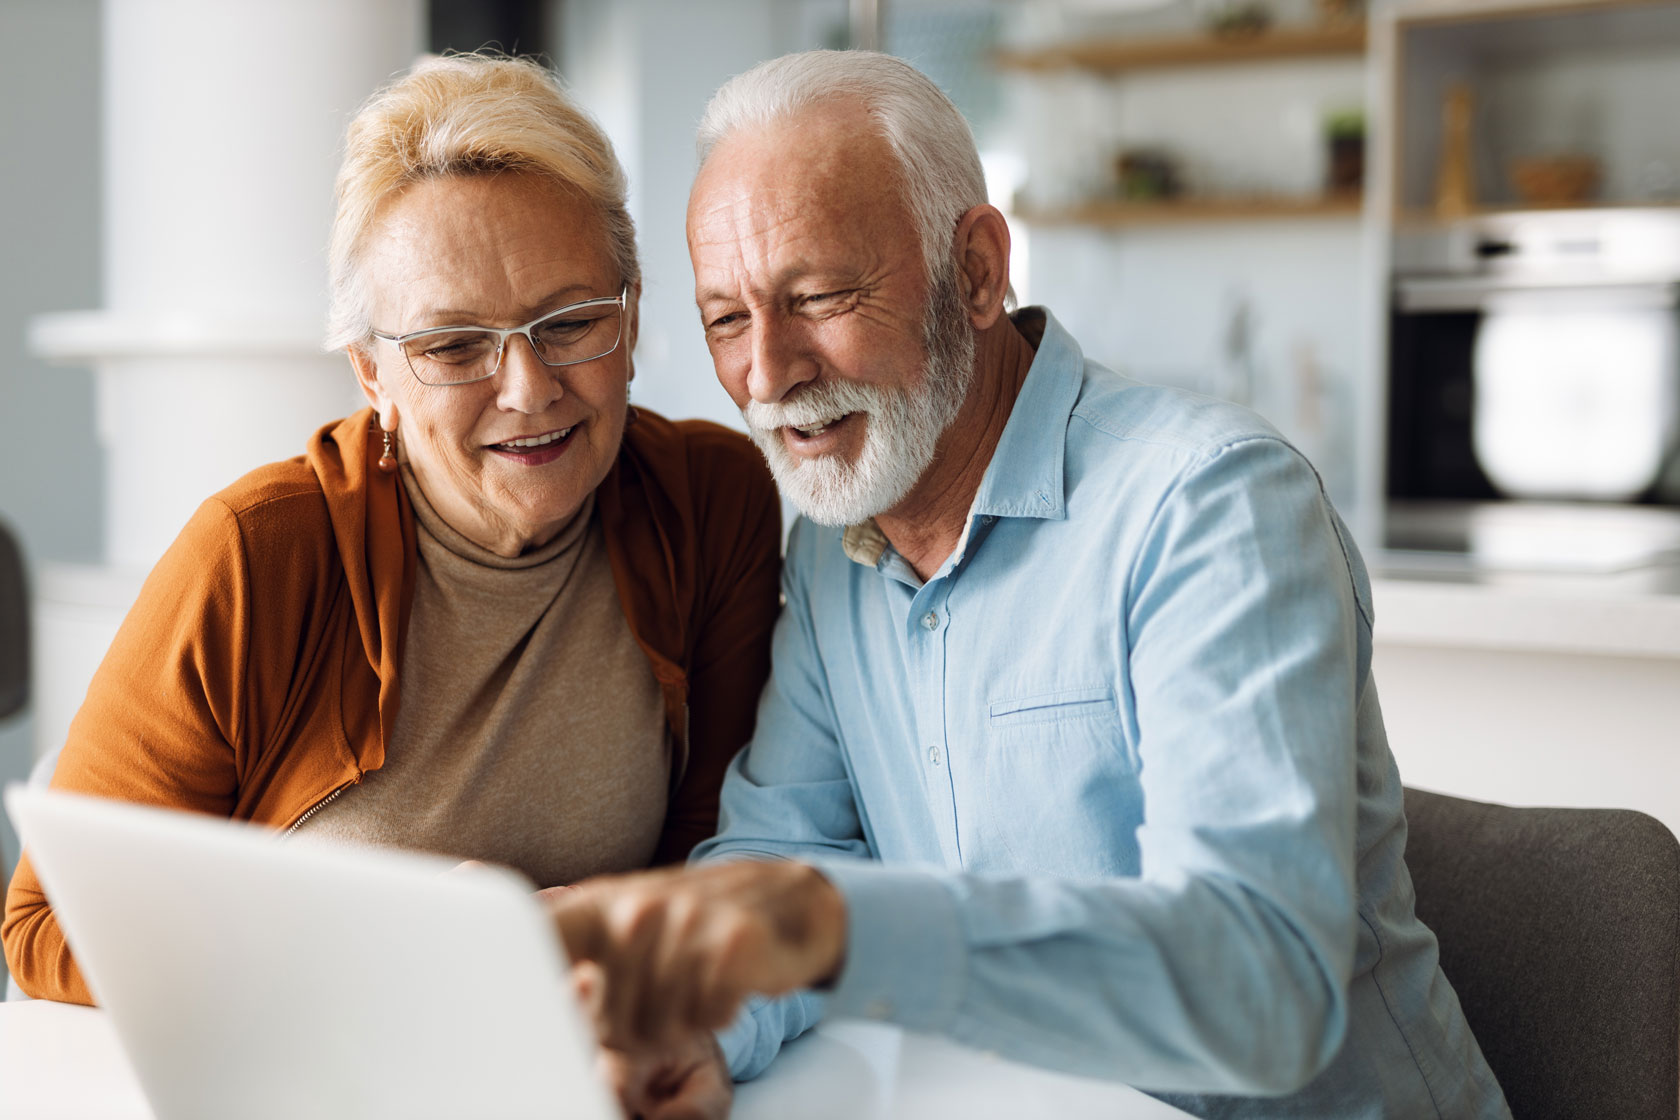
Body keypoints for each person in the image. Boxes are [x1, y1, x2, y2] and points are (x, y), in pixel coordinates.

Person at [549, 50, 1512, 1120]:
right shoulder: (837, 549)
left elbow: (1260, 985)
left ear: (974, 271)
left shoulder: (1211, 505)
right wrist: (702, 1020)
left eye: (817, 296)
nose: (768, 375)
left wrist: (830, 930)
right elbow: (787, 845)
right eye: (727, 319)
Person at [2, 53, 781, 1006]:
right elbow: (43, 928)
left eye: (571, 323)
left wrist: (598, 930)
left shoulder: (710, 498)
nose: (529, 390)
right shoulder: (255, 556)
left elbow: (719, 843)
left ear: (630, 311)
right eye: (454, 346)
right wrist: (372, 943)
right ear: (372, 376)